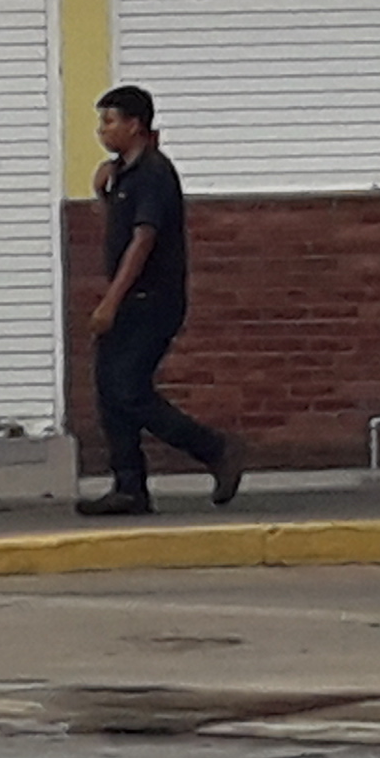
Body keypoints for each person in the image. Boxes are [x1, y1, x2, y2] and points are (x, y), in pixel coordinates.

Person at [86, 85, 245, 517]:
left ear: (135, 124)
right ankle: (129, 487)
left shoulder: (155, 172)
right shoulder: (124, 173)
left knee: (128, 390)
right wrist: (104, 191)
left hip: (151, 302)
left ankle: (215, 448)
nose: (102, 131)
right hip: (129, 300)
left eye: (110, 121)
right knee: (108, 390)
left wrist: (110, 303)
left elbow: (143, 240)